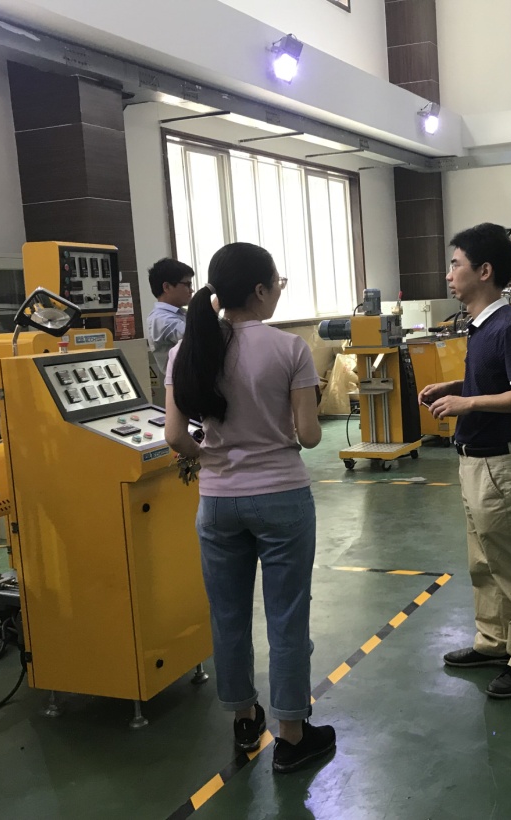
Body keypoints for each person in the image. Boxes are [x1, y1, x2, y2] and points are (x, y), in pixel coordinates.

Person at [163, 243, 335, 774]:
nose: (278, 290)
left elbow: (174, 436)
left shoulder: (186, 350)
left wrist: (212, 458)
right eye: (277, 282)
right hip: (281, 497)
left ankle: (243, 717)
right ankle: (292, 735)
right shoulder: (289, 348)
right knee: (287, 616)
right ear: (259, 290)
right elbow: (309, 436)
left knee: (228, 615)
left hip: (217, 503)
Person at [419, 223, 511, 700]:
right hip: (475, 463)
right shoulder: (481, 326)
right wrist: (456, 387)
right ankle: (495, 641)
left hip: (502, 467)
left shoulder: (510, 326)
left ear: (484, 271)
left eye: (455, 264)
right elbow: (497, 382)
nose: (448, 274)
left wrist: (468, 403)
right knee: (484, 562)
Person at [146, 258, 195, 404]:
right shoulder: (161, 319)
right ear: (167, 287)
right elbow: (197, 336)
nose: (191, 290)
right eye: (187, 284)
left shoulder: (181, 313)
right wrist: (212, 307)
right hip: (184, 389)